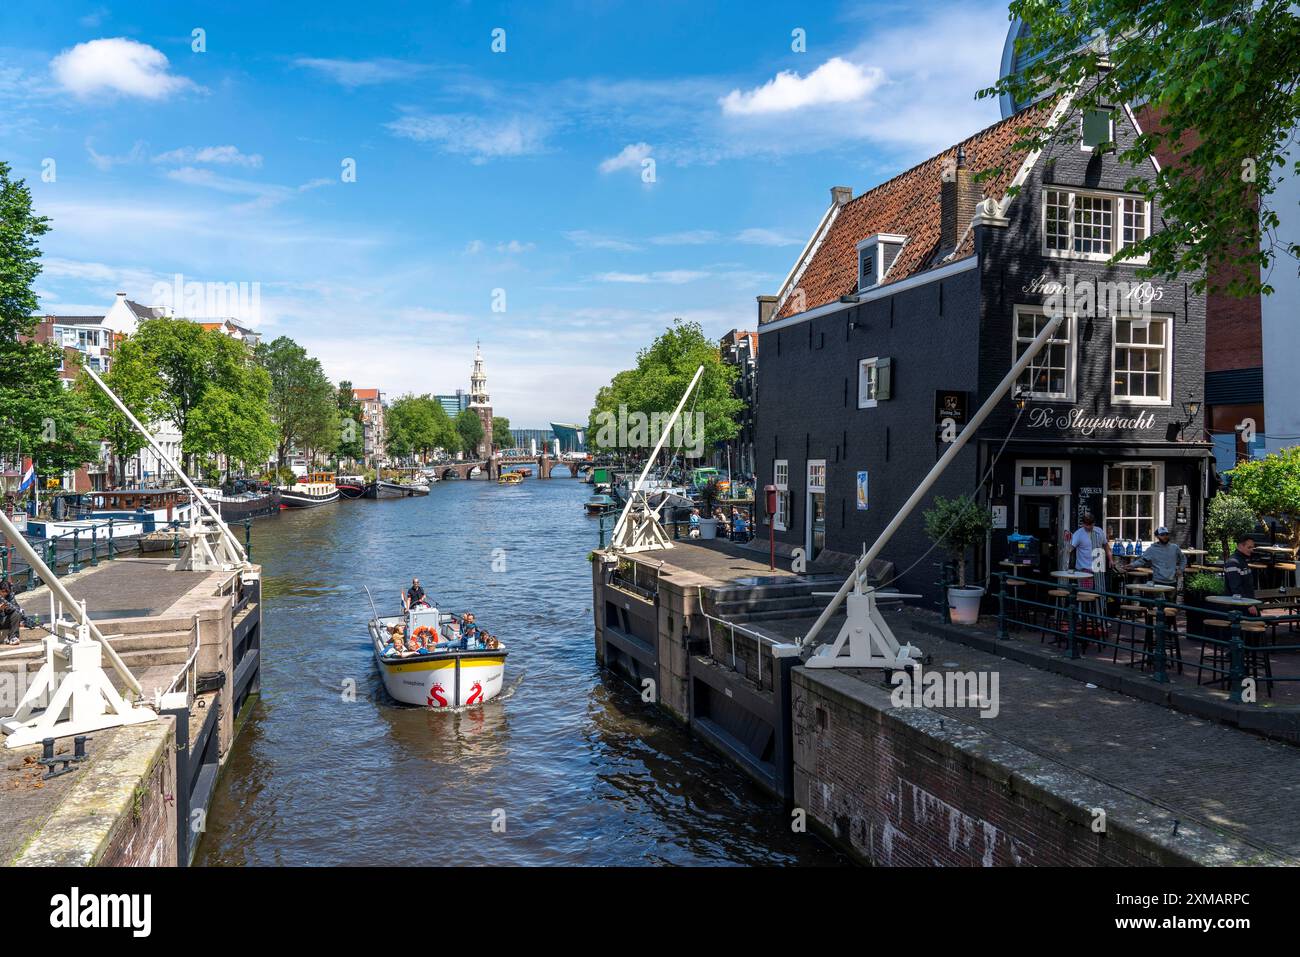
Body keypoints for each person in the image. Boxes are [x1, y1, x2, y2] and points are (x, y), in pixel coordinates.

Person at [1224, 534, 1261, 617]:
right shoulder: (1233, 562)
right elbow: (1236, 588)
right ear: (1240, 546)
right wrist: (1249, 605)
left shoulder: (1241, 561)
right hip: (1239, 607)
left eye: (1252, 547)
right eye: (1249, 547)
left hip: (1247, 603)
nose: (1252, 550)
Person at [1069, 512, 1109, 589]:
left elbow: (1106, 544)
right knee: (1086, 593)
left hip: (1098, 568)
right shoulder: (1078, 534)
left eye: (1090, 524)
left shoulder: (1099, 531)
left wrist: (1110, 559)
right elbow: (1070, 548)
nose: (1088, 527)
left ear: (1094, 523)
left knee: (1099, 592)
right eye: (1086, 524)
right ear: (1083, 524)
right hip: (1084, 569)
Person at [1, 580, 21, 646]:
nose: (5, 594)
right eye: (3, 591)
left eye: (7, 592)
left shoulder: (10, 596)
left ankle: (13, 637)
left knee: (16, 613)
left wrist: (7, 608)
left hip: (5, 620)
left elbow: (17, 608)